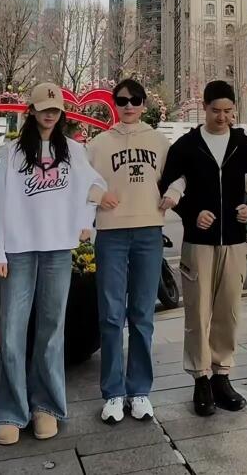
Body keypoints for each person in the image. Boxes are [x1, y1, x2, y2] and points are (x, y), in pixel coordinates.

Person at [0, 83, 105, 447]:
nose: (50, 114)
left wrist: (85, 220)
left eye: (55, 109)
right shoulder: (13, 153)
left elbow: (96, 185)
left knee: (51, 331)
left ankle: (47, 407)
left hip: (57, 250)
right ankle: (10, 412)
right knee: (13, 332)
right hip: (18, 250)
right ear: (32, 111)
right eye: (43, 108)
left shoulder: (73, 150)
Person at [159, 80, 247, 417]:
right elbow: (170, 186)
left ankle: (222, 376)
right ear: (204, 108)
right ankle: (201, 380)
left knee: (228, 311)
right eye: (215, 110)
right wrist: (192, 212)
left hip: (235, 242)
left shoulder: (244, 144)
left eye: (228, 111)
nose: (222, 117)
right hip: (198, 244)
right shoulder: (186, 146)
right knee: (197, 313)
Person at [86, 78, 180, 425]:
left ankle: (139, 390)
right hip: (110, 234)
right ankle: (113, 392)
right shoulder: (98, 144)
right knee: (111, 315)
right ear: (114, 103)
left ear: (144, 104)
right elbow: (79, 181)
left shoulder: (158, 141)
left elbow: (179, 175)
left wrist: (174, 194)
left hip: (148, 232)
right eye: (122, 100)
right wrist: (98, 196)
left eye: (135, 100)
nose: (129, 106)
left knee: (142, 314)